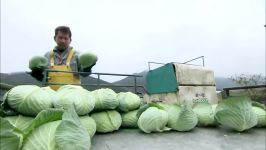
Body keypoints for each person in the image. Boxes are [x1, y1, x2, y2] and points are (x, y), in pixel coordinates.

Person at [30, 26, 97, 90]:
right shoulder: (47, 55)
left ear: (70, 40)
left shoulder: (77, 55)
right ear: (55, 38)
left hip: (72, 96)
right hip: (50, 95)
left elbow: (84, 75)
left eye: (66, 38)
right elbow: (44, 78)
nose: (63, 41)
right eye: (60, 37)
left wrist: (88, 67)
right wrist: (38, 75)